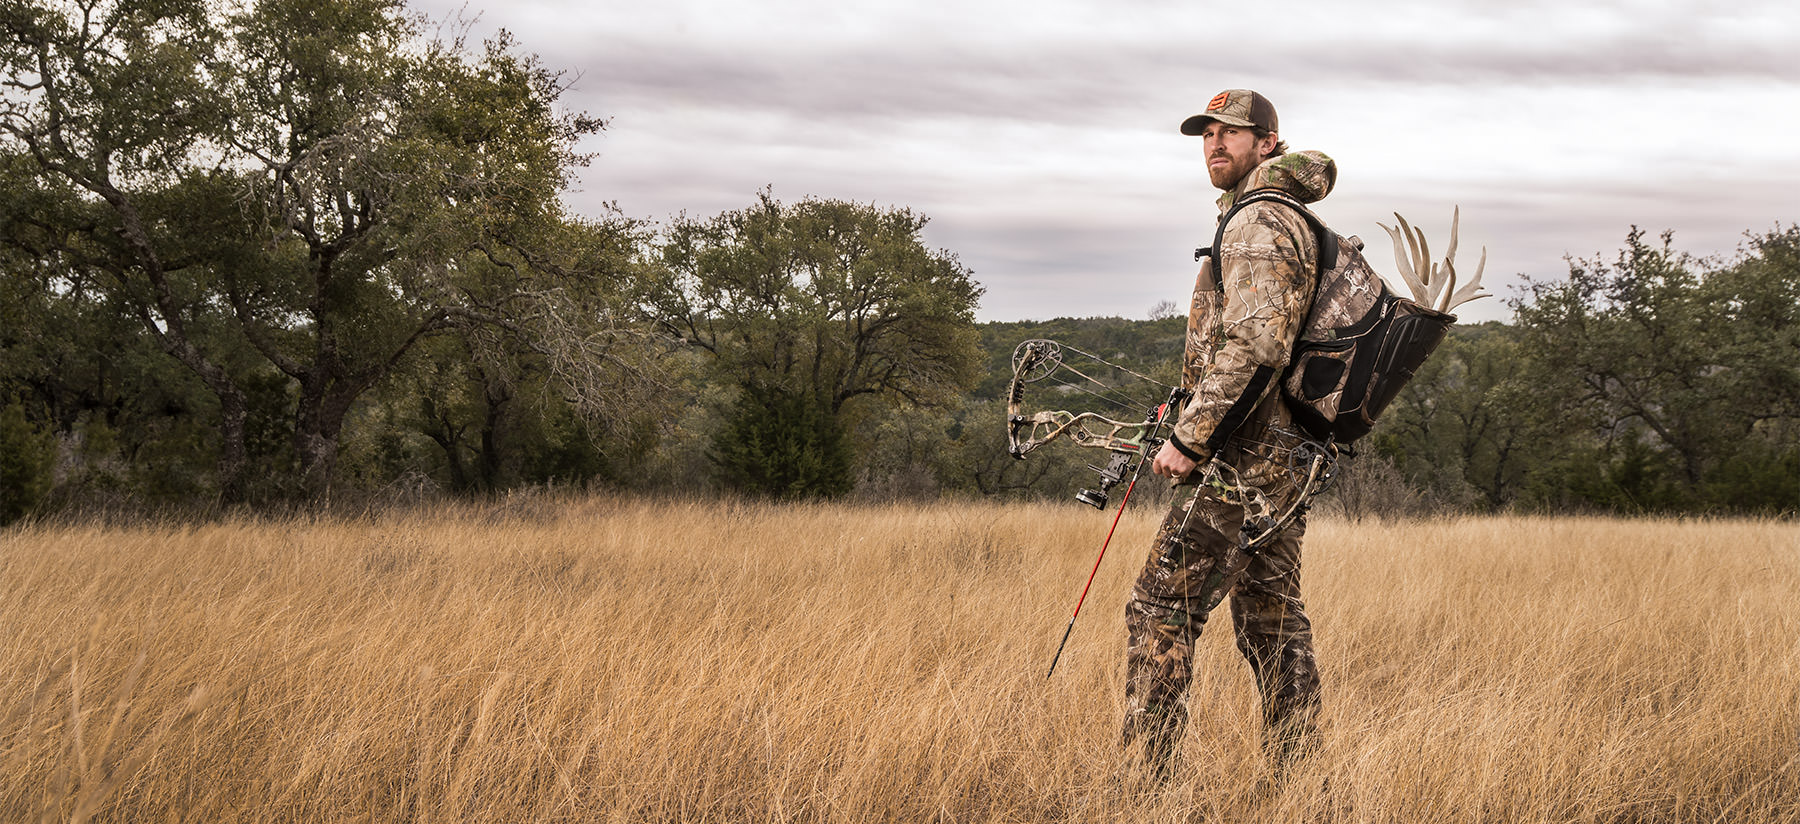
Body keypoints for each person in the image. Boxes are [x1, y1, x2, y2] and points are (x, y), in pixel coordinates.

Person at [1123, 89, 1337, 776]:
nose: (1216, 144)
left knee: (1160, 605)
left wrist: (1190, 438)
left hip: (1243, 458)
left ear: (1268, 143)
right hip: (1285, 456)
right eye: (1208, 134)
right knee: (1272, 616)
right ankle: (1300, 786)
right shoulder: (1271, 214)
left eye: (1233, 133)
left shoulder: (1257, 221)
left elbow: (1256, 346)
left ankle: (1148, 790)